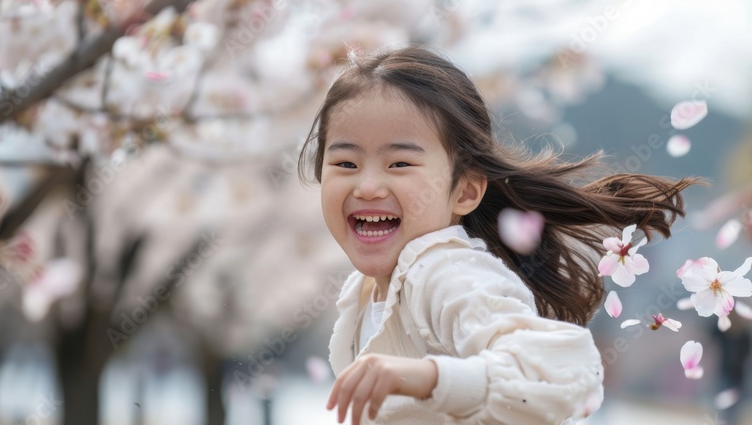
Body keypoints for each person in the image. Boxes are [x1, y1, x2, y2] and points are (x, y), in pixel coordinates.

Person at [297, 46, 700, 424]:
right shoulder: (369, 291)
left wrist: (428, 377)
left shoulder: (445, 273)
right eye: (346, 163)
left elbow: (566, 373)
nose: (367, 186)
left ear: (466, 190)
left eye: (400, 163)